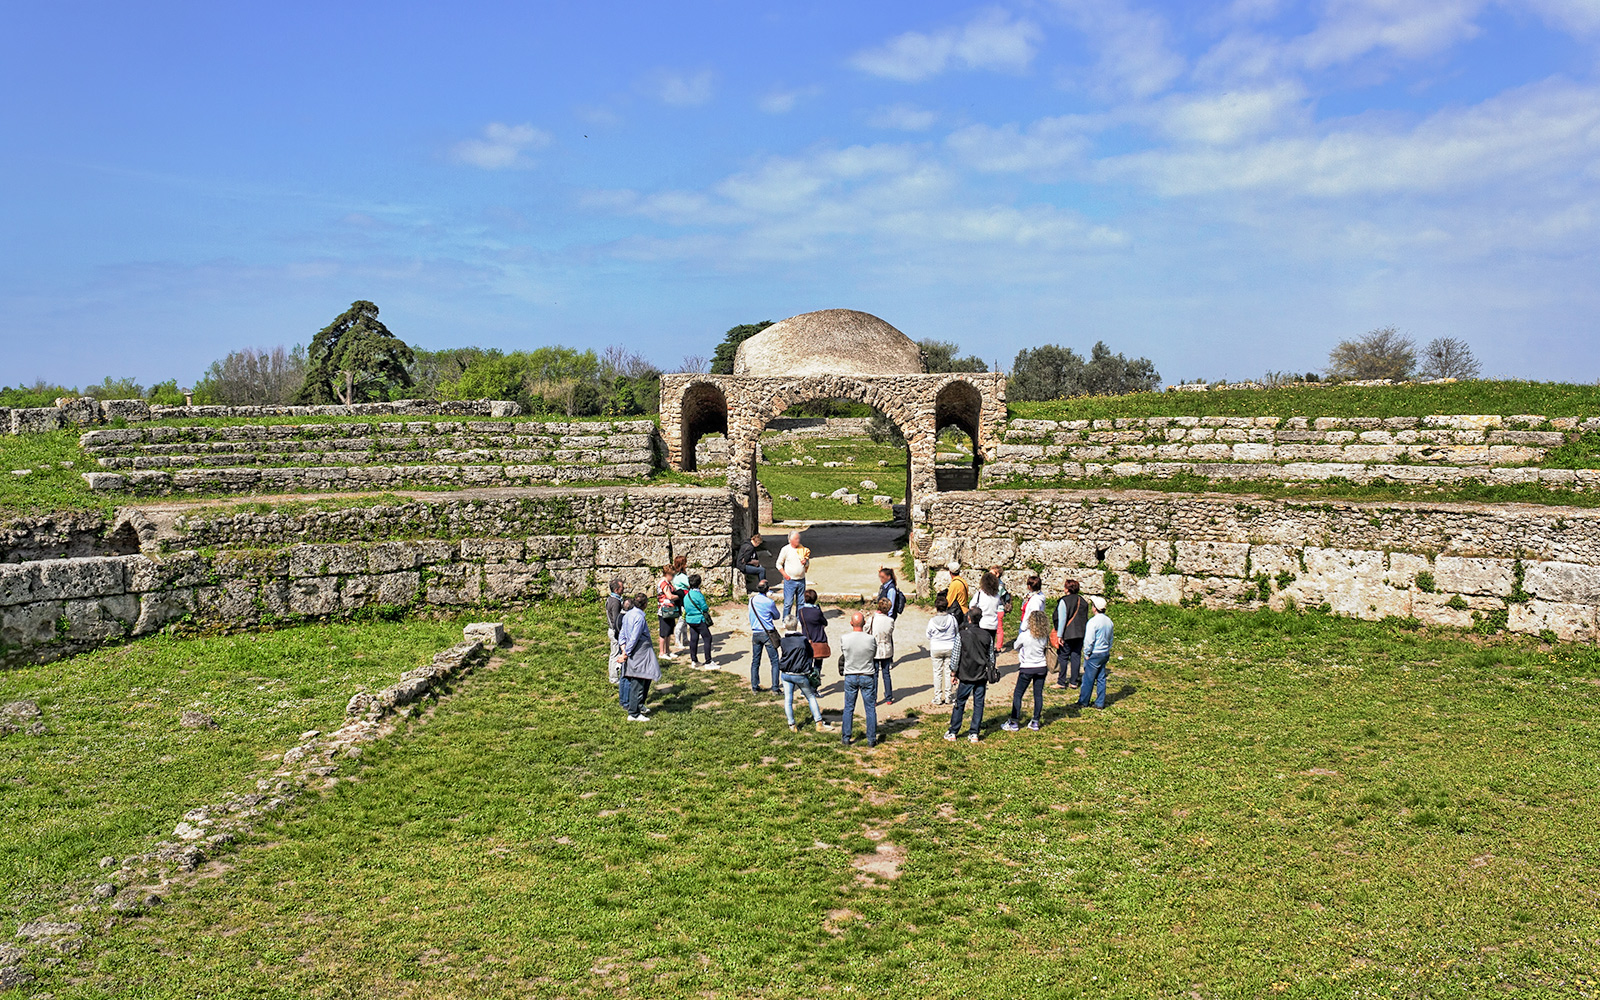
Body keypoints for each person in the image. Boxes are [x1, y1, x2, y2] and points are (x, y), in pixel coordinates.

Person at [945, 608, 993, 743]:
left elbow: (955, 656)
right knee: (978, 703)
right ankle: (974, 733)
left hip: (966, 674)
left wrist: (953, 672)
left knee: (960, 702)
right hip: (981, 674)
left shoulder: (962, 635)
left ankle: (953, 731)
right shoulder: (987, 636)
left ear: (969, 619)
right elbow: (991, 657)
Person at [615, 592, 661, 721]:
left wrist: (623, 648)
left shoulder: (628, 614)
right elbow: (634, 637)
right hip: (639, 652)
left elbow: (622, 634)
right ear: (645, 604)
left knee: (646, 678)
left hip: (634, 651)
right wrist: (626, 653)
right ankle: (634, 713)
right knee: (638, 681)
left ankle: (639, 705)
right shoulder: (639, 617)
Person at [1004, 610, 1051, 731]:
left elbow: (1015, 646)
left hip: (1027, 667)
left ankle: (1014, 722)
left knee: (1018, 694)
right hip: (1041, 667)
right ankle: (1035, 721)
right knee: (1038, 694)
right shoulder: (1044, 636)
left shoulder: (1025, 635)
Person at [836, 611, 878, 747]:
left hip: (851, 675)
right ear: (864, 623)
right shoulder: (870, 639)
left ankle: (846, 737)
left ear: (851, 623)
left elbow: (844, 653)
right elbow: (874, 653)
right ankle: (871, 739)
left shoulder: (845, 638)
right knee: (870, 708)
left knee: (848, 707)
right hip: (867, 674)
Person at [778, 625, 831, 733]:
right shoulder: (803, 640)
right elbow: (810, 653)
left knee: (788, 700)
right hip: (800, 674)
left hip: (786, 673)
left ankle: (792, 725)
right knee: (810, 697)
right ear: (796, 625)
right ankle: (819, 723)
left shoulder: (783, 641)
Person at [1079, 595, 1114, 710]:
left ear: (1095, 608)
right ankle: (1100, 702)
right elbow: (1110, 639)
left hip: (1095, 652)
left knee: (1088, 678)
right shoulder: (1109, 621)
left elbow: (1089, 640)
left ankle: (1083, 701)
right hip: (1104, 652)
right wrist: (1107, 648)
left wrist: (1087, 653)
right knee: (1101, 678)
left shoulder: (1093, 622)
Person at [1054, 579, 1089, 689]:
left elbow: (1062, 619)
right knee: (1076, 656)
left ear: (1067, 589)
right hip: (1080, 633)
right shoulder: (1083, 601)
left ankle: (1061, 681)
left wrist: (1059, 635)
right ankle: (1073, 681)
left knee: (1063, 657)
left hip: (1068, 633)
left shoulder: (1064, 601)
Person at [747, 579, 781, 692]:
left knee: (755, 660)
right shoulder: (769, 602)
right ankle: (775, 688)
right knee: (775, 661)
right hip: (767, 633)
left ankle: (754, 687)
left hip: (756, 633)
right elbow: (777, 616)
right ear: (767, 590)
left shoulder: (751, 600)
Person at [925, 595, 958, 706]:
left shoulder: (932, 621)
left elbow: (928, 635)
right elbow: (956, 632)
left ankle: (938, 697)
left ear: (936, 608)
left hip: (936, 647)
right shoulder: (952, 619)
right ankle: (949, 696)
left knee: (937, 673)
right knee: (949, 672)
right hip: (950, 647)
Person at [775, 529, 810, 620]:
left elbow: (807, 564)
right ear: (790, 540)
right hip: (790, 580)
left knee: (801, 602)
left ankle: (799, 619)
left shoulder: (803, 550)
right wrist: (785, 575)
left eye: (798, 539)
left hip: (801, 579)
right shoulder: (785, 549)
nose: (798, 541)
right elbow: (778, 564)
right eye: (796, 539)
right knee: (788, 603)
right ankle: (785, 620)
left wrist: (805, 562)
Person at [682, 573, 714, 667]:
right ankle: (708, 661)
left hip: (690, 620)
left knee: (693, 639)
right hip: (699, 619)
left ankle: (694, 660)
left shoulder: (687, 596)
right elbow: (704, 607)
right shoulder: (698, 595)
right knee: (707, 638)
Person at [869, 597, 896, 705]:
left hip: (875, 648)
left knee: (874, 674)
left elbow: (867, 630)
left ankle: (874, 698)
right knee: (886, 673)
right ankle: (889, 697)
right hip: (886, 648)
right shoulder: (890, 621)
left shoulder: (872, 619)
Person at [605, 579, 627, 708]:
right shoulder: (615, 603)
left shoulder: (611, 599)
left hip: (613, 630)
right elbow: (616, 619)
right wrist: (620, 633)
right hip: (615, 631)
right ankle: (613, 677)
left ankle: (616, 673)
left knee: (615, 653)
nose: (623, 589)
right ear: (616, 590)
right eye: (621, 587)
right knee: (614, 654)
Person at [975, 571, 1003, 670]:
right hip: (993, 624)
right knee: (990, 648)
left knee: (981, 648)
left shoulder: (980, 594)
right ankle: (991, 668)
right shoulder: (996, 596)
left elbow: (972, 605)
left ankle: (981, 668)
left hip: (982, 624)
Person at [798, 588, 829, 675]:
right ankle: (815, 684)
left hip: (806, 640)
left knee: (807, 663)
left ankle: (807, 684)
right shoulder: (817, 612)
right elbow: (825, 622)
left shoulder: (800, 611)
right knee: (817, 665)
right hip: (818, 639)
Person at [656, 563, 684, 660]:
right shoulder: (663, 583)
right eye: (672, 575)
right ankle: (662, 652)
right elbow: (669, 596)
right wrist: (680, 595)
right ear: (667, 574)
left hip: (670, 610)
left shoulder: (668, 583)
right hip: (664, 610)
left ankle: (667, 651)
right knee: (663, 632)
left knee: (668, 631)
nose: (673, 577)